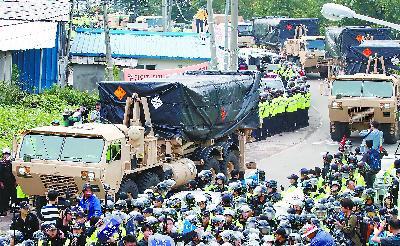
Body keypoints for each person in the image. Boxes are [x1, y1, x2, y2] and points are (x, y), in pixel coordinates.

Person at [0, 147, 15, 216]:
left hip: (11, 183)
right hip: (3, 183)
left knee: (11, 196)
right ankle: (3, 210)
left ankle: (11, 208)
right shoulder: (1, 163)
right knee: (3, 197)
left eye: (7, 154)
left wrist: (15, 182)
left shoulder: (11, 163)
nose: (6, 155)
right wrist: (1, 183)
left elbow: (14, 173)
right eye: (5, 154)